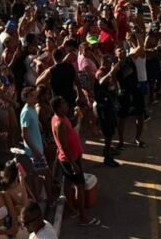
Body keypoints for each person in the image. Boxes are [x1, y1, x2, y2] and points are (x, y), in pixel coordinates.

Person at [50, 97, 99, 227]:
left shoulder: (61, 118)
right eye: (64, 104)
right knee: (80, 186)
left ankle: (71, 208)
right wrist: (73, 164)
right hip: (69, 159)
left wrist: (77, 116)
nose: (67, 106)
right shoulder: (59, 123)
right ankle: (83, 217)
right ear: (58, 108)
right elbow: (64, 146)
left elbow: (70, 124)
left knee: (67, 182)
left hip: (69, 158)